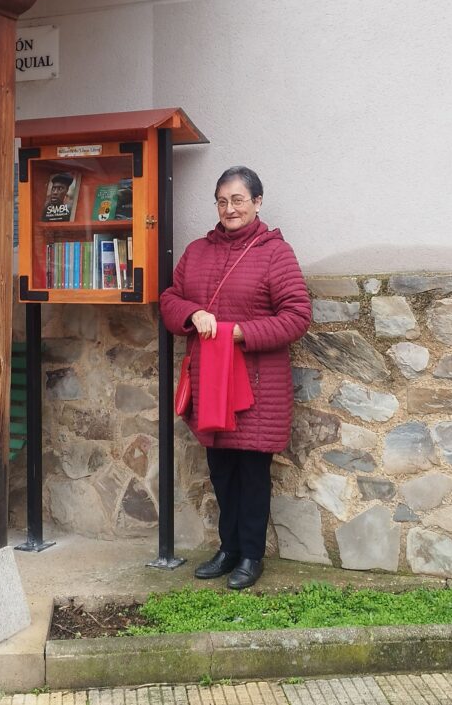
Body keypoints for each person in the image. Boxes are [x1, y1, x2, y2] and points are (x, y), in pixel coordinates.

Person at [159, 166, 311, 589]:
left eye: (238, 200)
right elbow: (169, 299)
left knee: (252, 473)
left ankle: (250, 555)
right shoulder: (197, 251)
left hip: (257, 386)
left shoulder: (275, 253)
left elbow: (297, 316)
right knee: (221, 469)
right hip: (211, 383)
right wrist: (193, 313)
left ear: (257, 202)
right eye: (222, 201)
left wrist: (239, 333)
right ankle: (227, 550)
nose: (230, 208)